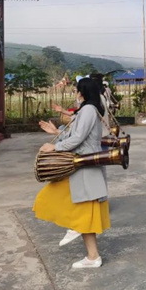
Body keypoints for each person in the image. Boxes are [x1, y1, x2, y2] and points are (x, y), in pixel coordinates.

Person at [33, 77, 109, 268]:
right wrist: (55, 132)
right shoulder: (86, 110)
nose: (75, 93)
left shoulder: (88, 110)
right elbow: (73, 135)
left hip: (84, 164)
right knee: (83, 209)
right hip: (80, 165)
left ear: (82, 92)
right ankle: (92, 256)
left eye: (76, 90)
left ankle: (78, 231)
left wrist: (55, 147)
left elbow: (78, 138)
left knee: (70, 203)